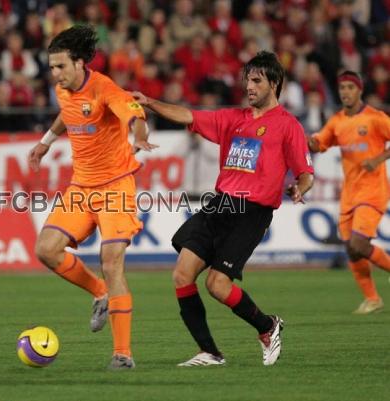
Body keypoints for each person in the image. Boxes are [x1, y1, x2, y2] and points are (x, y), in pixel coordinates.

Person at [133, 51, 314, 367]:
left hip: (253, 211)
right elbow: (188, 115)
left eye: (257, 81)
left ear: (275, 83)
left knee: (217, 284)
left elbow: (306, 173)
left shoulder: (288, 126)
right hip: (221, 204)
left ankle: (268, 326)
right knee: (181, 274)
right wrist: (149, 101)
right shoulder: (233, 119)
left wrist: (299, 189)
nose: (250, 87)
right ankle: (210, 352)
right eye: (248, 81)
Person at [28, 25, 156, 370]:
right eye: (52, 67)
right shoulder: (63, 90)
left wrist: (140, 136)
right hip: (81, 188)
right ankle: (100, 292)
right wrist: (45, 141)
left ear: (80, 63)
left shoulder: (104, 88)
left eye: (60, 67)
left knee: (112, 260)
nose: (55, 74)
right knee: (45, 249)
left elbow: (133, 112)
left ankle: (123, 354)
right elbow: (67, 116)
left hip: (116, 186)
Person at [308, 70, 390, 314]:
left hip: (372, 191)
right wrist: (306, 140)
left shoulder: (376, 118)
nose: (345, 92)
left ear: (360, 90)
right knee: (351, 249)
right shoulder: (337, 121)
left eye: (350, 88)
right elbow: (319, 143)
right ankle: (373, 298)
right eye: (342, 88)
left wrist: (379, 158)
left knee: (358, 243)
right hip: (349, 194)